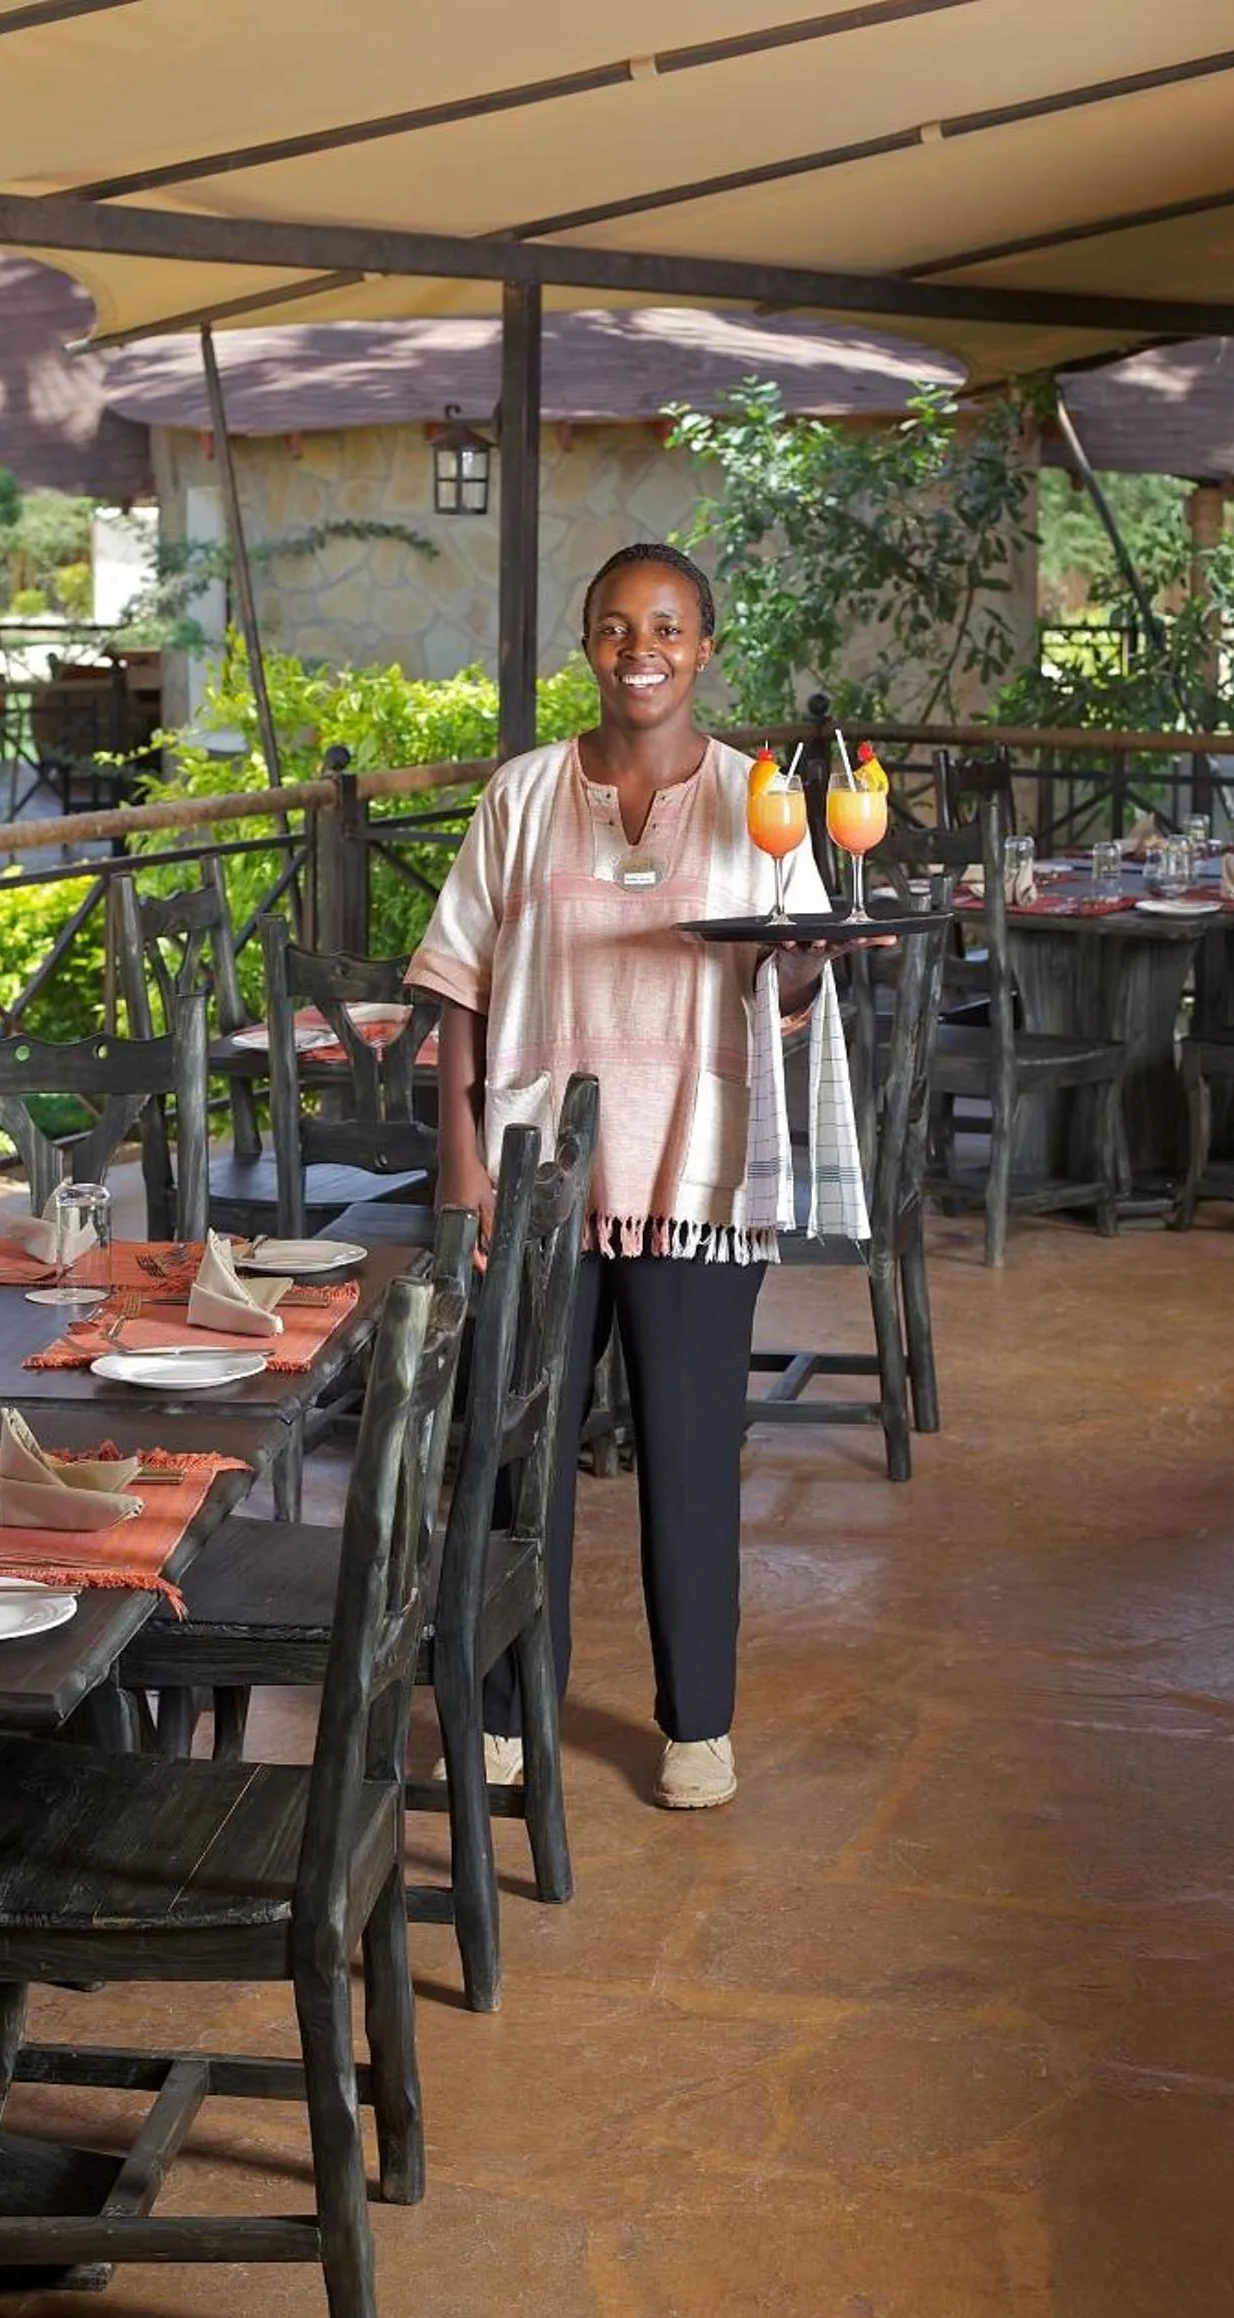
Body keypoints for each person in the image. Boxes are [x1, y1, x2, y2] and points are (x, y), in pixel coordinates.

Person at [406, 542, 856, 1813]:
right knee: (515, 1459)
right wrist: (462, 1161)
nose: (640, 649)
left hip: (697, 1177)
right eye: (615, 626)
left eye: (666, 627)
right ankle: (505, 1712)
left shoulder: (762, 800)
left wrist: (813, 956)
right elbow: (459, 983)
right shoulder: (524, 793)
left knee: (692, 1456)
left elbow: (790, 982)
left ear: (706, 647)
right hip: (537, 1175)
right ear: (588, 644)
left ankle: (698, 1723)